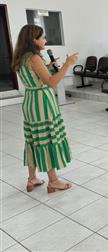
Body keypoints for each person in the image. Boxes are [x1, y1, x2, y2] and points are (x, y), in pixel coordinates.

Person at [11, 25, 78, 193]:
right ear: (34, 40)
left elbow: (34, 77)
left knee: (33, 139)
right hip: (42, 102)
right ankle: (53, 180)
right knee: (48, 139)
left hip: (30, 101)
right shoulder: (34, 57)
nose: (45, 40)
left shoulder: (21, 56)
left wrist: (48, 66)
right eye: (43, 37)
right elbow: (51, 82)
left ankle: (32, 178)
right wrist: (66, 65)